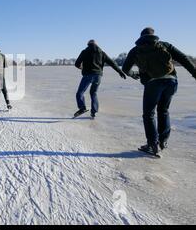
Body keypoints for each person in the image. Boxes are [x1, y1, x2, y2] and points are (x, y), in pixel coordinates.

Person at [122, 27, 196, 157]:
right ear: (153, 35)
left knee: (149, 114)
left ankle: (152, 144)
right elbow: (183, 58)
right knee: (163, 110)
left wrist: (134, 74)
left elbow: (125, 68)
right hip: (171, 81)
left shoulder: (136, 50)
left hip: (153, 84)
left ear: (141, 36)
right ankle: (163, 141)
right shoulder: (164, 45)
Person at [74, 40, 127, 119]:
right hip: (98, 76)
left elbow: (77, 64)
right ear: (96, 44)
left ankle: (82, 108)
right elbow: (112, 63)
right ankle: (94, 112)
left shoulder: (85, 52)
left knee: (80, 92)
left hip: (88, 75)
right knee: (93, 93)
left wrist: (82, 68)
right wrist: (120, 71)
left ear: (88, 45)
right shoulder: (101, 52)